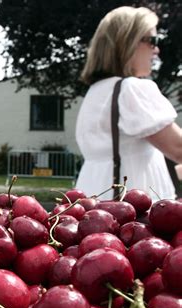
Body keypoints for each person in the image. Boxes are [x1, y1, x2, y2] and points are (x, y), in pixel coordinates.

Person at [75, 6, 182, 200]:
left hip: (93, 199)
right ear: (128, 43)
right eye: (153, 40)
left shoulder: (97, 91)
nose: (157, 50)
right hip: (134, 206)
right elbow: (179, 148)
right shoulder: (132, 89)